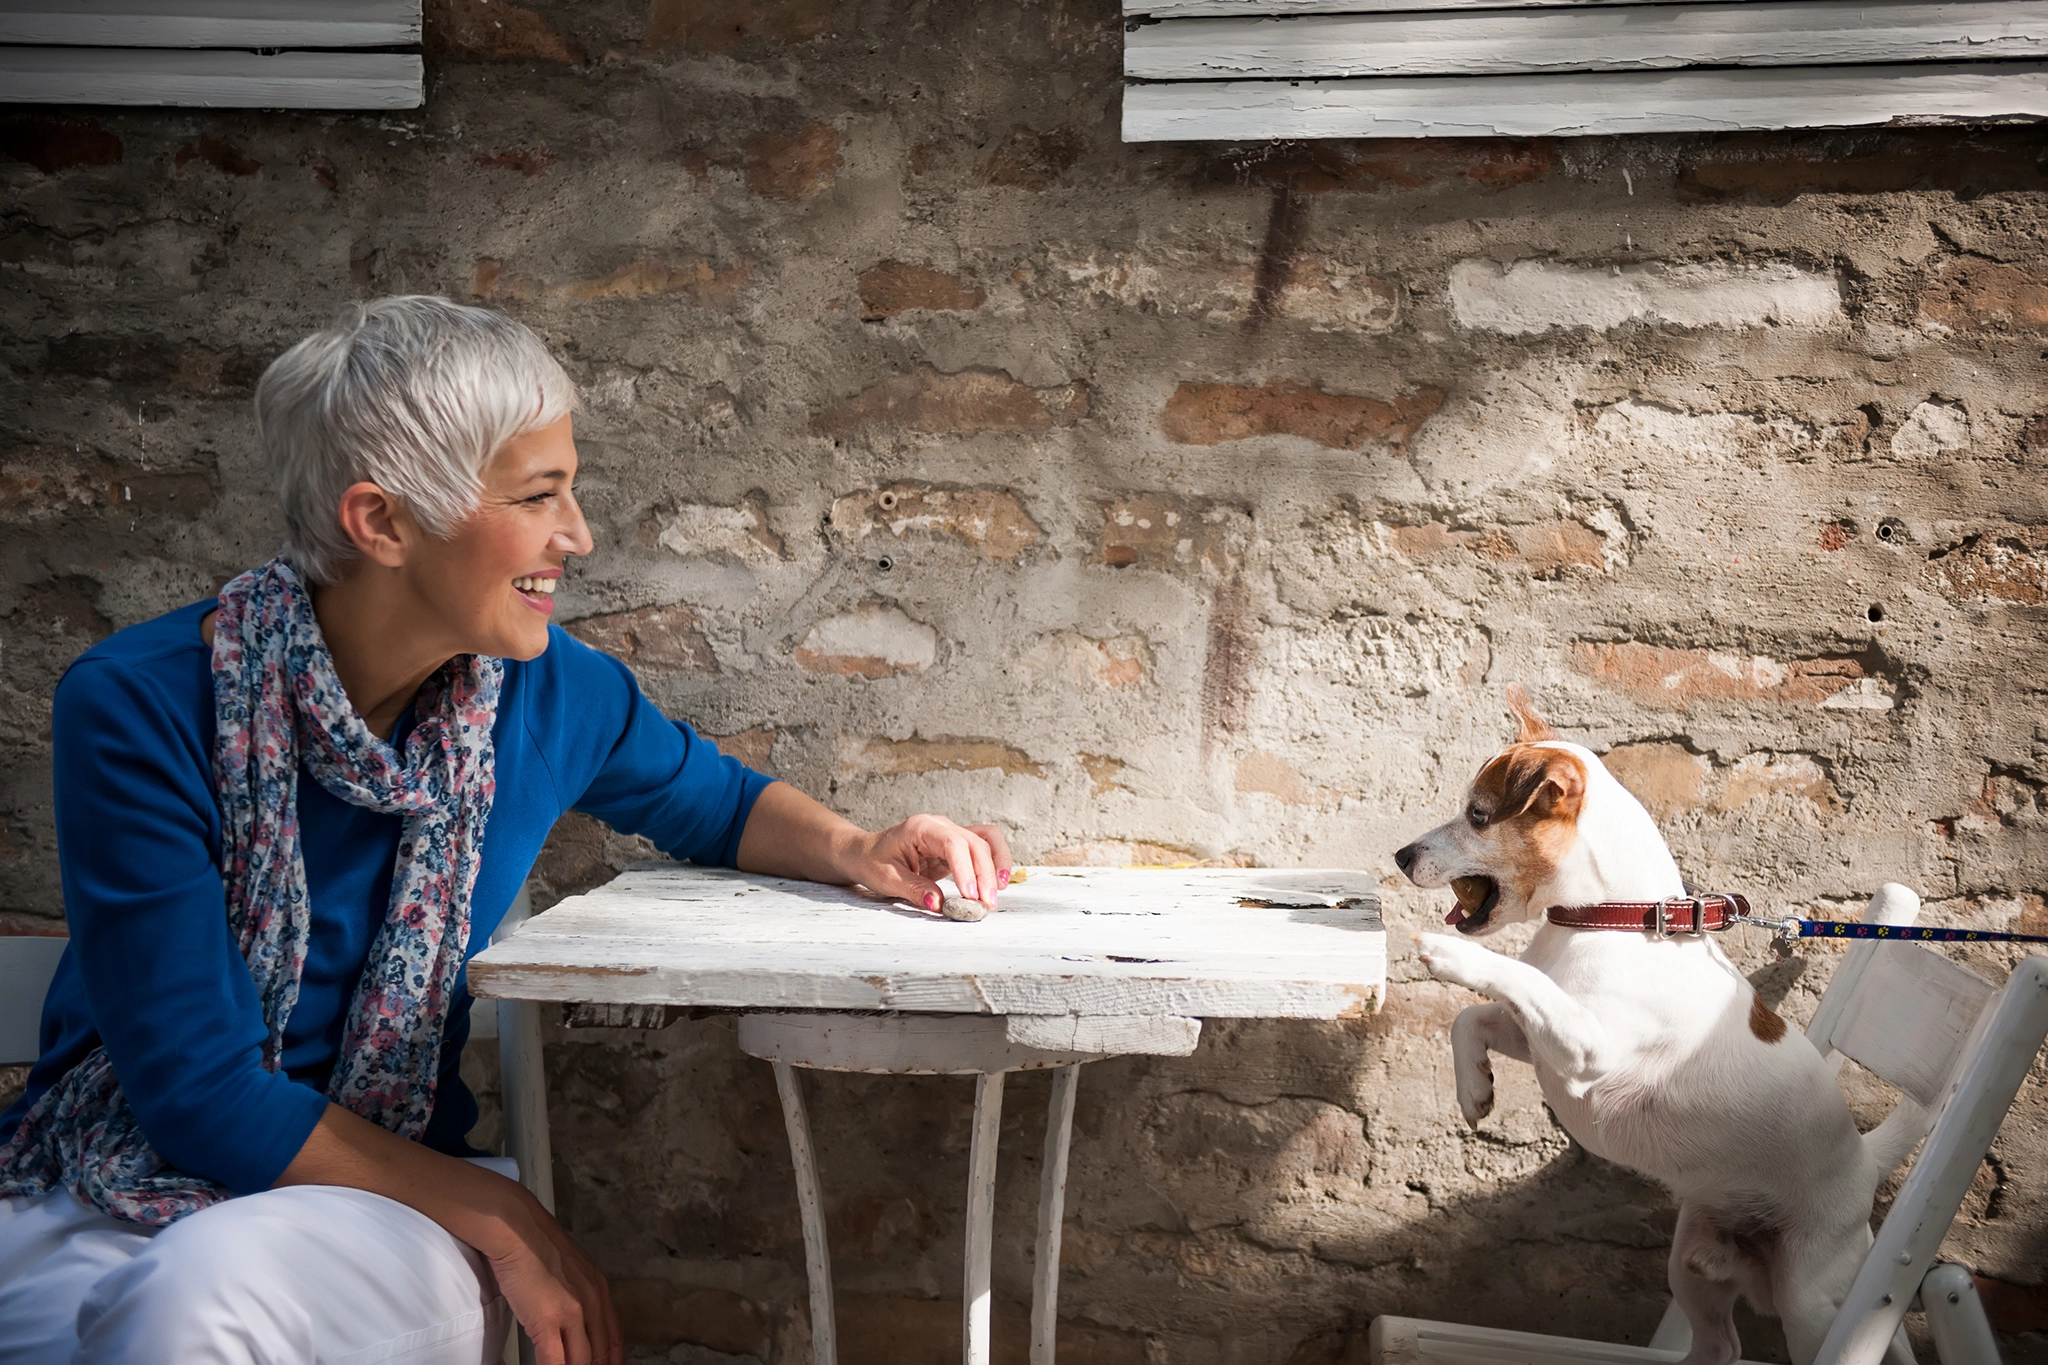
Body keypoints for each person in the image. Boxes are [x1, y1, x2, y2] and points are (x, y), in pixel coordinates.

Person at [0, 296, 1011, 1365]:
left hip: (381, 1207)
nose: (576, 536)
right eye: (538, 496)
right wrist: (507, 1213)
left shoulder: (547, 694)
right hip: (94, 1174)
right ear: (382, 522)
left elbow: (715, 802)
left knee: (189, 1310)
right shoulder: (142, 704)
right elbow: (199, 1093)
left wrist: (859, 850)